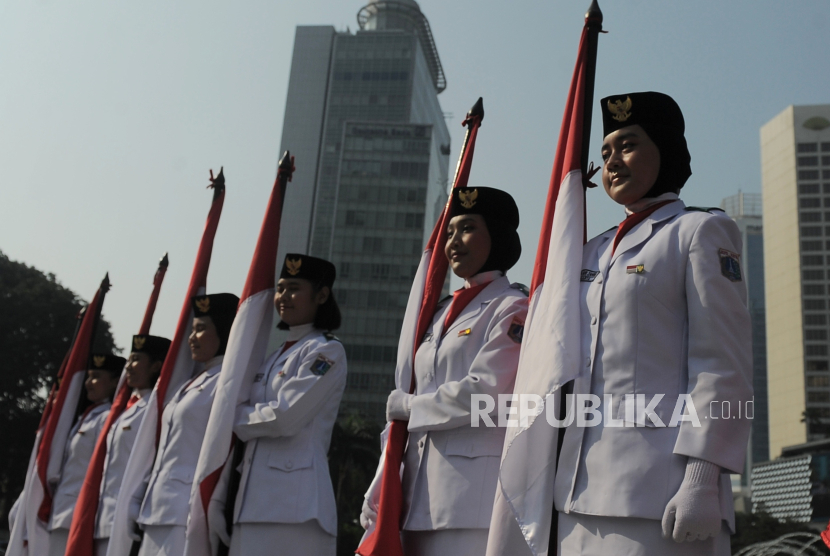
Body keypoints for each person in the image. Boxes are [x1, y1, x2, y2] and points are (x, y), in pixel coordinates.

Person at [552, 91, 753, 555]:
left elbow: (724, 365)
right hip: (578, 492)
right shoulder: (588, 252)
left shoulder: (698, 232)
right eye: (604, 153)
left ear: (664, 149)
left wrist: (703, 477)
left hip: (662, 495)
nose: (612, 162)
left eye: (628, 145)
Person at [361, 187, 528, 555]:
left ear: (497, 235)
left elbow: (484, 392)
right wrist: (381, 482)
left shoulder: (512, 307)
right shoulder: (436, 314)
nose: (453, 241)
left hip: (469, 501)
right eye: (449, 232)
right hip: (415, 498)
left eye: (467, 228)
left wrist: (410, 408)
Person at [206, 254, 346, 556]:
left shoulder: (326, 352)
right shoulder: (274, 357)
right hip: (253, 500)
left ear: (321, 295)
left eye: (294, 288)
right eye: (280, 289)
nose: (283, 297)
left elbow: (285, 418)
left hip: (295, 506)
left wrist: (230, 416)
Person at [130, 293, 238, 556]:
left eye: (201, 329)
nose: (192, 338)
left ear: (223, 331)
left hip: (187, 511)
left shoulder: (227, 382)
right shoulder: (191, 383)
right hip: (156, 509)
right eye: (192, 330)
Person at [93, 334, 171, 555]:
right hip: (104, 517)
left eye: (136, 360)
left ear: (156, 366)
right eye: (128, 360)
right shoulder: (125, 409)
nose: (129, 366)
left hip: (129, 515)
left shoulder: (155, 408)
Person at [48, 353, 124, 556]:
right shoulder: (86, 416)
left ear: (115, 381)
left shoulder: (107, 418)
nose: (90, 383)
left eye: (97, 377)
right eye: (89, 377)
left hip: (77, 512)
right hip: (61, 510)